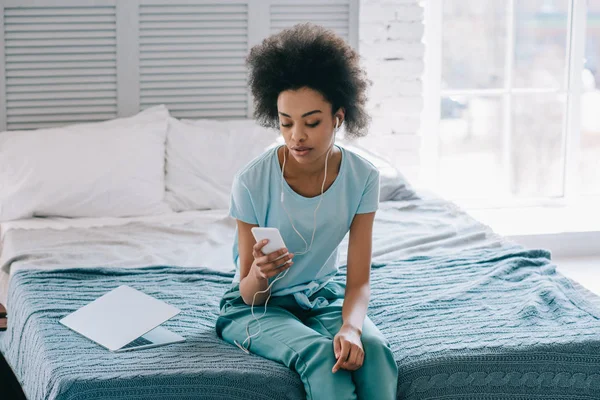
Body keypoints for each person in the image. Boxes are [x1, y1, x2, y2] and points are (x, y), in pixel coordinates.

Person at [215, 23, 398, 400]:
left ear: (339, 117)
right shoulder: (250, 182)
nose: (297, 135)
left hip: (321, 297)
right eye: (286, 123)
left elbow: (359, 281)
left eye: (312, 122)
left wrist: (350, 328)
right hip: (258, 308)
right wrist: (261, 274)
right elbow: (248, 293)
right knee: (320, 357)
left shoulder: (362, 178)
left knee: (375, 353)